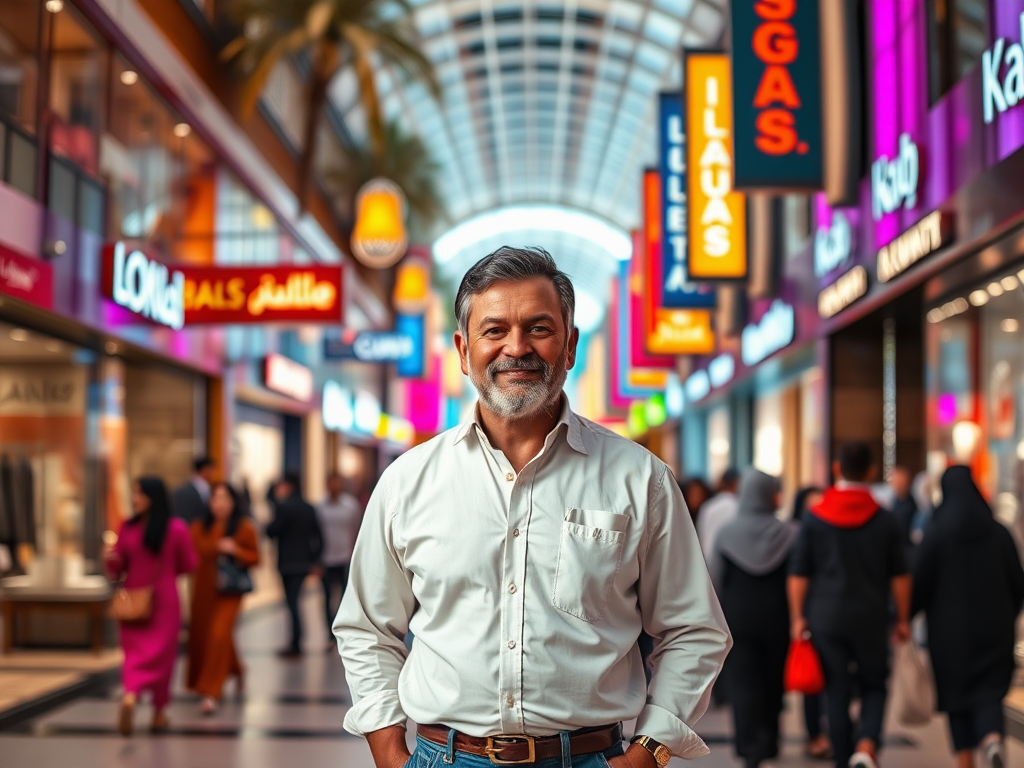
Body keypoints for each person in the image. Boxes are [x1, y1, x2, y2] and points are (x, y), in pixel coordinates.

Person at [336, 246, 730, 768]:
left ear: (569, 347)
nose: (516, 348)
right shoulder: (409, 482)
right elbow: (367, 627)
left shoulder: (641, 479)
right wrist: (388, 751)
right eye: (494, 330)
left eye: (539, 329)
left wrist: (648, 753)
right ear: (463, 349)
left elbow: (693, 629)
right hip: (447, 757)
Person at [789, 441, 910, 768]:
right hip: (871, 616)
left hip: (826, 618)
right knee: (874, 684)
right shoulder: (885, 519)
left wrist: (798, 616)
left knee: (836, 691)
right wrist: (902, 618)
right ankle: (868, 745)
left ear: (836, 469)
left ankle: (843, 760)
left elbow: (799, 573)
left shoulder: (815, 518)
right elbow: (900, 575)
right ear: (871, 472)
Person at [911, 466, 1024, 768]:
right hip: (995, 630)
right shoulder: (999, 533)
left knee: (957, 698)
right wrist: (1009, 615)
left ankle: (966, 762)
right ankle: (992, 740)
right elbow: (1018, 582)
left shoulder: (936, 534)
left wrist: (904, 619)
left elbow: (918, 585)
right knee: (989, 694)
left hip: (950, 636)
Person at [710, 469, 796, 768]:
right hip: (778, 620)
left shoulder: (726, 534)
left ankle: (749, 747)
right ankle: (770, 741)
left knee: (744, 684)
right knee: (774, 681)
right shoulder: (789, 533)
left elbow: (715, 580)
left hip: (739, 622)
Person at [104, 477, 197, 736]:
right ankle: (158, 713)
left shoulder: (127, 528)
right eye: (134, 493)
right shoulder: (176, 529)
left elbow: (116, 568)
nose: (134, 499)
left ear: (153, 498)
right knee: (163, 659)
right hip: (165, 601)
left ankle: (131, 694)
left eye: (140, 494)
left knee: (133, 656)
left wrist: (109, 559)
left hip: (133, 601)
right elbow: (188, 565)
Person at [187, 482, 260, 715]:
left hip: (231, 591)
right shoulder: (200, 527)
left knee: (219, 633)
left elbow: (255, 558)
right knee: (208, 635)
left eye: (224, 498)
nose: (219, 504)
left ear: (233, 502)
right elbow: (193, 553)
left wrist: (235, 550)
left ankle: (211, 692)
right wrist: (215, 546)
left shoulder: (243, 527)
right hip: (204, 590)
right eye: (215, 498)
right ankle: (237, 670)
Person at [791, 486, 830, 761]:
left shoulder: (833, 534)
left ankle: (828, 734)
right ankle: (814, 735)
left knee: (832, 680)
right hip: (809, 615)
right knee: (811, 679)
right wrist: (797, 617)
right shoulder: (795, 536)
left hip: (829, 614)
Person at [266, 472, 323, 658]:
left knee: (291, 602)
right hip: (303, 563)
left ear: (288, 486)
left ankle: (296, 641)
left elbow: (271, 531)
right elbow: (319, 536)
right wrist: (315, 560)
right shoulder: (309, 507)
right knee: (295, 600)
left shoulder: (284, 507)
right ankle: (297, 639)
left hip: (287, 563)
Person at [317, 472, 363, 644]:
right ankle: (329, 633)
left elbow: (357, 529)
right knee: (327, 597)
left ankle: (345, 630)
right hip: (326, 558)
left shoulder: (351, 505)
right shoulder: (320, 506)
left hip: (345, 557)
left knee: (346, 596)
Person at [697, 468, 740, 562]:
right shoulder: (737, 507)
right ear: (736, 484)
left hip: (707, 561)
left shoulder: (707, 507)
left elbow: (701, 537)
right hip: (728, 561)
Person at [171, 457, 216, 524]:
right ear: (206, 469)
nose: (213, 473)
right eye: (212, 469)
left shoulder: (179, 490)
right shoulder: (183, 491)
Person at [888, 466, 918, 561]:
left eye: (900, 483)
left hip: (907, 551)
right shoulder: (893, 502)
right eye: (895, 482)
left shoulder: (912, 505)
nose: (897, 485)